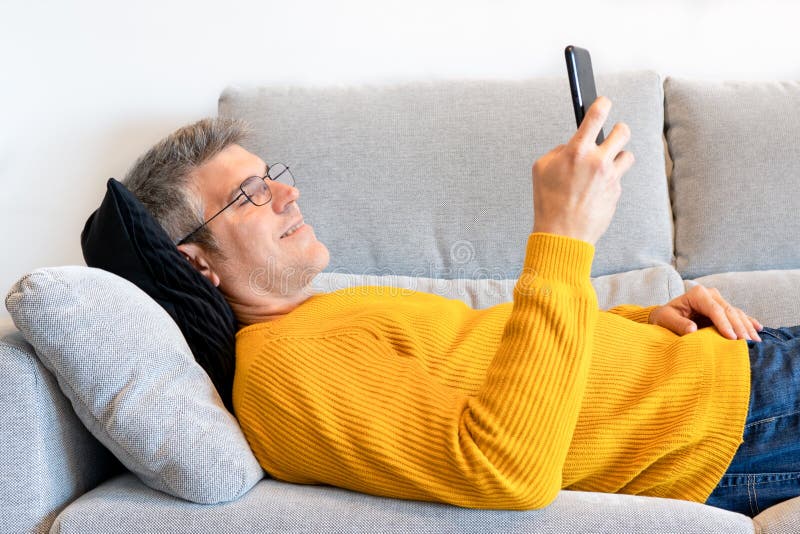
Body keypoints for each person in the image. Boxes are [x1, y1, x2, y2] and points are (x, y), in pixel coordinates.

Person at [122, 97, 799, 517]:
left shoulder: (325, 315)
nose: (287, 196)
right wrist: (560, 237)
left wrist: (646, 319)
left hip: (731, 361)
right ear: (195, 260)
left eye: (273, 179)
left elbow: (511, 366)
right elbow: (507, 468)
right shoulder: (278, 378)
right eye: (248, 197)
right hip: (735, 422)